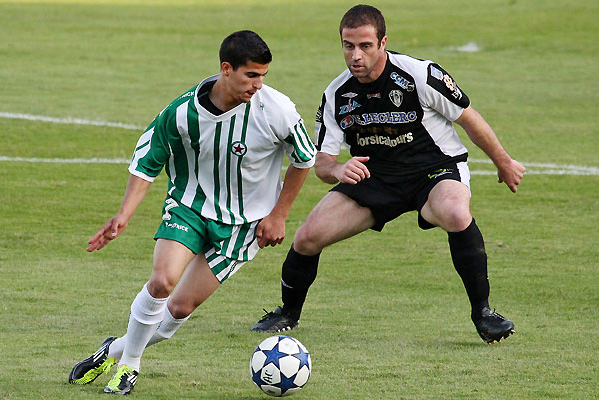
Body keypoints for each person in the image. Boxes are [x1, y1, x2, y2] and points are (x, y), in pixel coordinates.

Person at [252, 5, 525, 344]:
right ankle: (287, 312)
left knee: (455, 212)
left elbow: (468, 117)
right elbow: (321, 162)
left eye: (365, 45)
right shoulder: (337, 94)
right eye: (348, 45)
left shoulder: (420, 75)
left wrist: (504, 162)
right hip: (375, 177)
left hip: (433, 170)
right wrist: (338, 168)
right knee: (307, 237)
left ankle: (483, 313)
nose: (356, 55)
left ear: (383, 42)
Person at [68, 30, 316, 395]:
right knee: (162, 282)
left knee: (179, 310)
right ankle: (130, 366)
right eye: (251, 75)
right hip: (189, 208)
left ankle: (115, 349)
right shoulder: (182, 113)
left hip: (243, 225)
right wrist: (123, 215)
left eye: (263, 75)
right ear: (226, 69)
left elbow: (303, 159)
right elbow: (147, 162)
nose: (259, 85)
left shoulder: (276, 109)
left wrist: (279, 214)